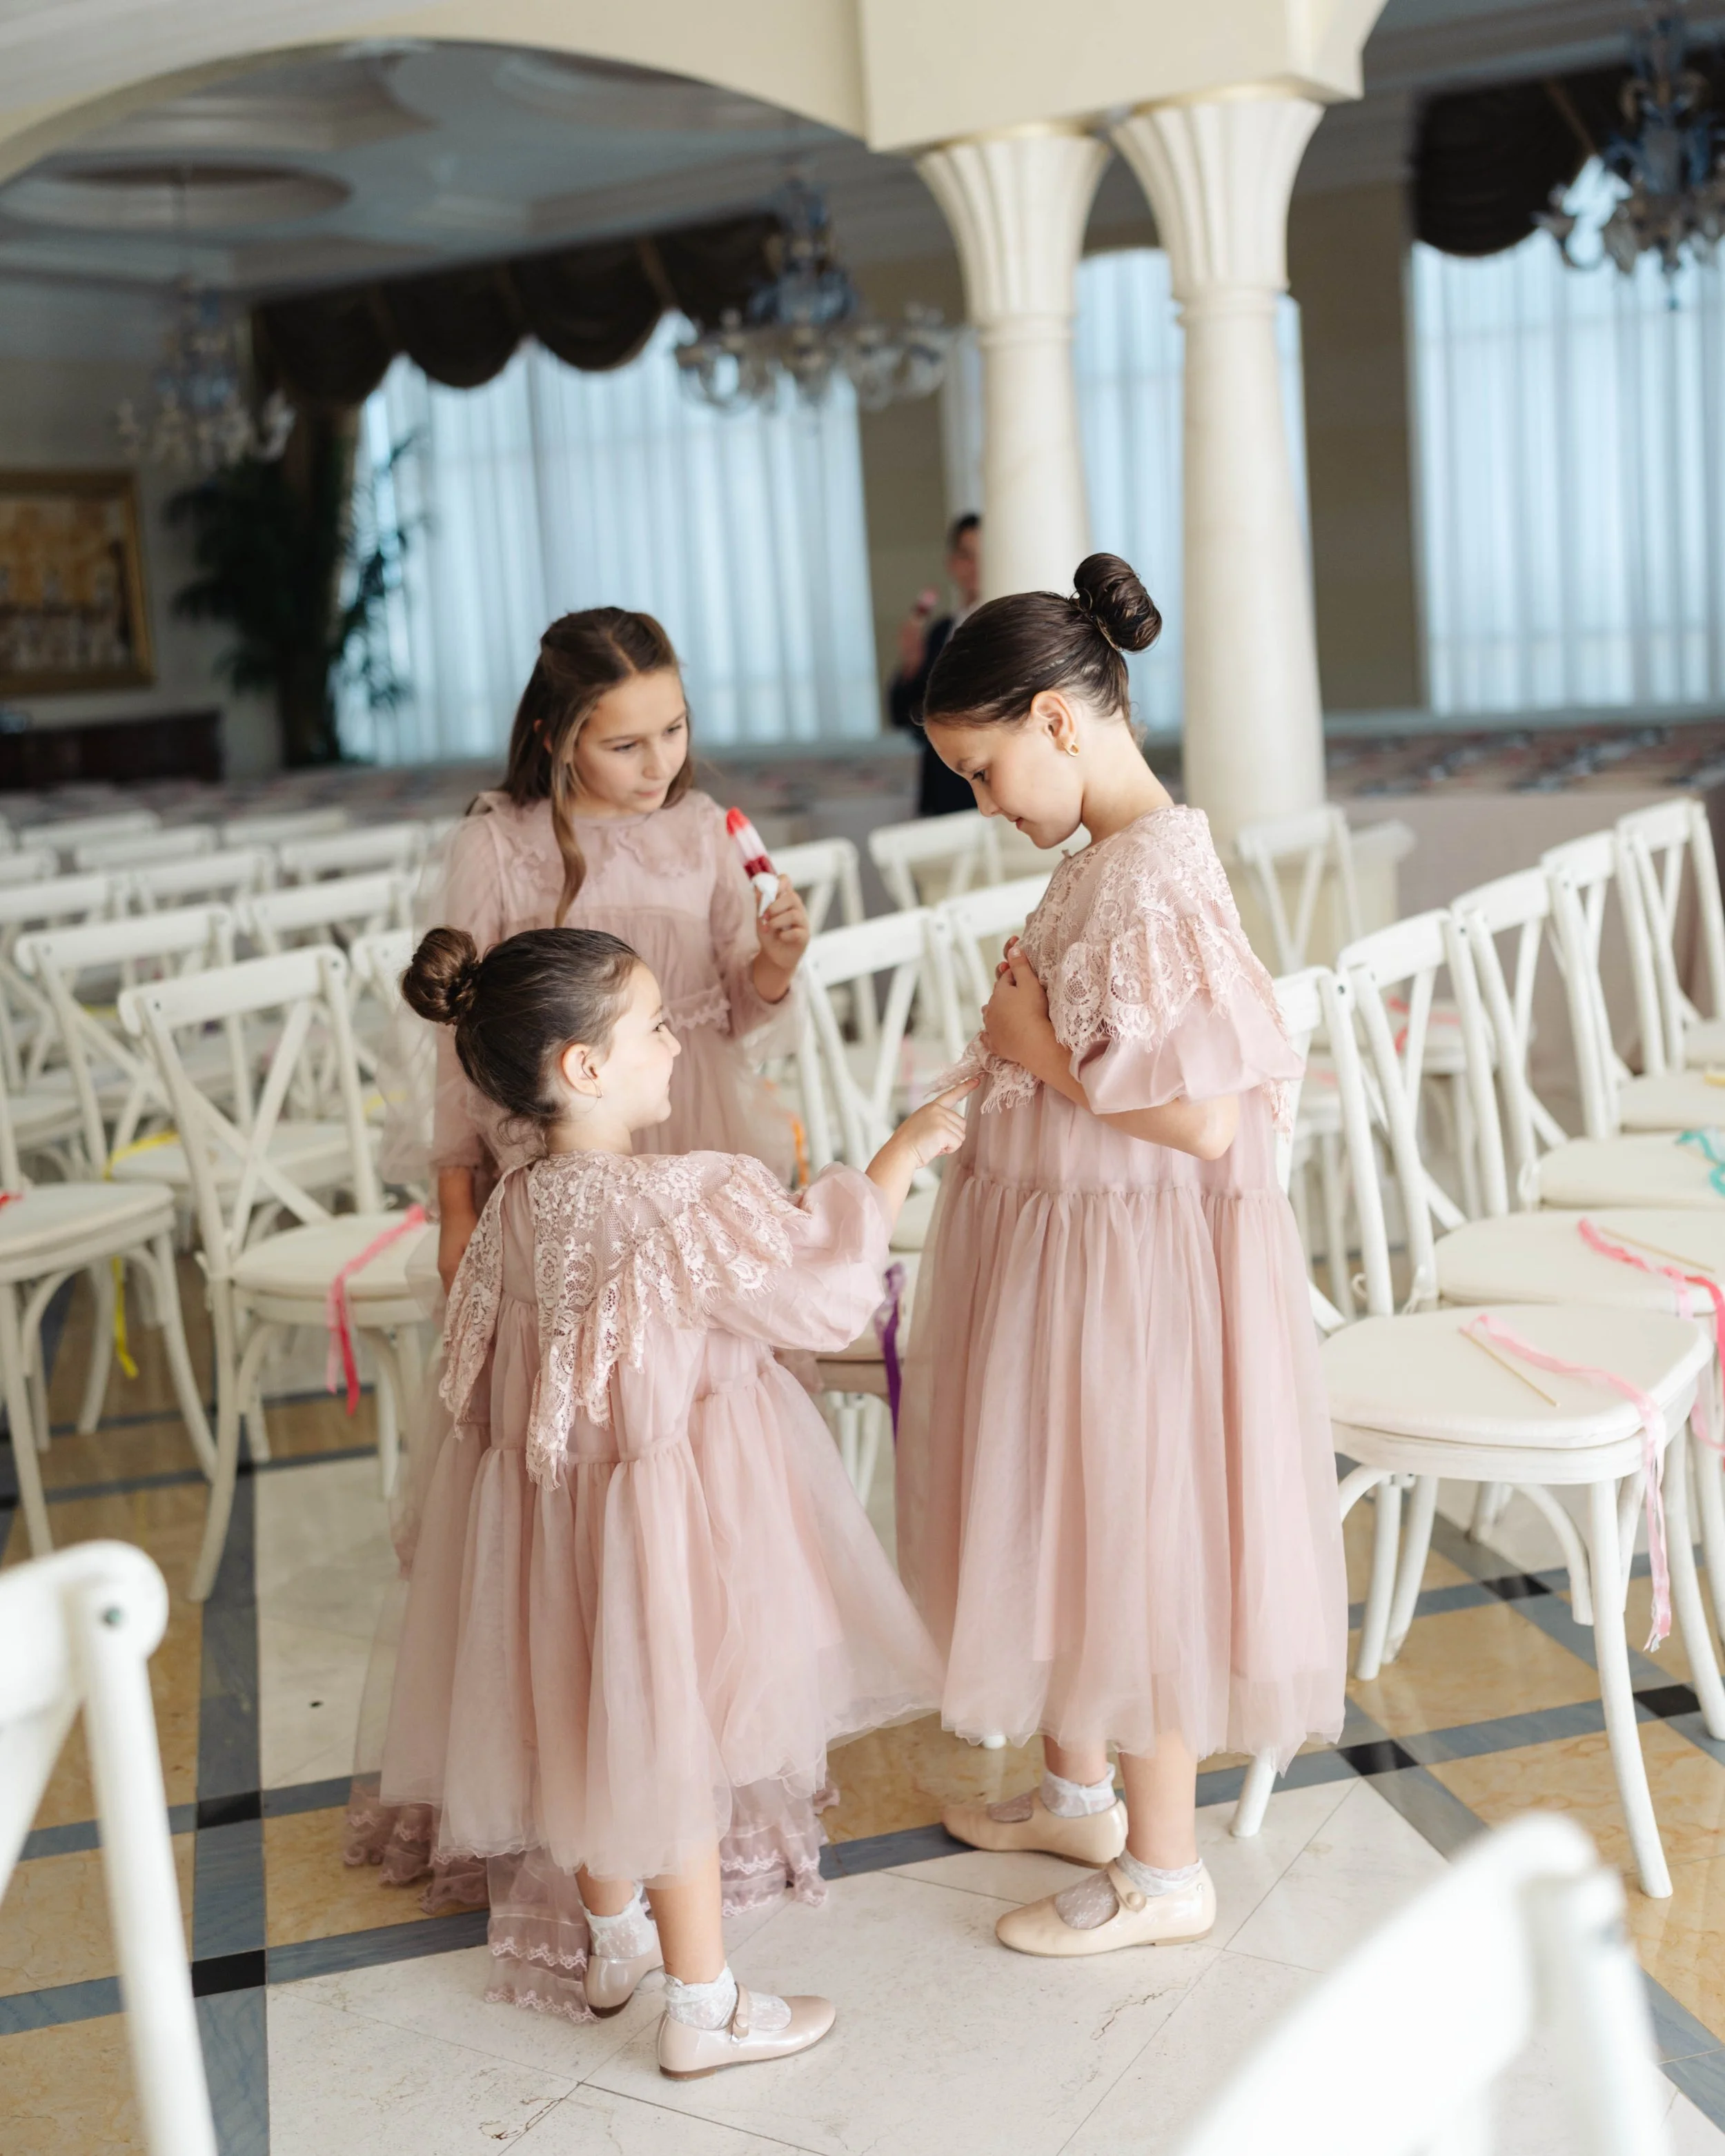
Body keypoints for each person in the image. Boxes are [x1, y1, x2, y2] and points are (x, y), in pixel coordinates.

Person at [380, 922, 960, 2072]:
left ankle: (614, 1941)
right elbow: (821, 1291)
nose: (675, 1045)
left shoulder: (514, 1212)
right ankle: (705, 2010)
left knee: (584, 1723)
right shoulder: (682, 1200)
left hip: (551, 1536)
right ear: (584, 1068)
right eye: (652, 1027)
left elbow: (478, 1385)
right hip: (671, 1530)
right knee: (667, 1745)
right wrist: (901, 1154)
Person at [895, 552, 1346, 1958]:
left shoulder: (1149, 876)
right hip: (1073, 1244)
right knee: (1066, 1507)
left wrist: (1039, 1055)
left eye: (982, 771)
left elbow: (1204, 1115)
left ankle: (1161, 1870)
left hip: (1129, 1267)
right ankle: (1080, 1786)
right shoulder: (1111, 857)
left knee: (1127, 1529)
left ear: (1058, 721)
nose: (982, 804)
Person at [347, 606, 824, 1927]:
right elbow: (469, 1043)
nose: (660, 761)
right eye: (626, 742)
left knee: (705, 1454)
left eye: (673, 729)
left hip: (690, 1124)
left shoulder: (697, 827)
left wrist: (770, 964)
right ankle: (570, 1769)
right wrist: (461, 1201)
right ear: (558, 738)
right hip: (554, 1172)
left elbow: (730, 995)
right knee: (574, 1474)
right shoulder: (499, 844)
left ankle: (702, 1749)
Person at [887, 511, 983, 817]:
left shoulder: (1006, 625)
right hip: (941, 783)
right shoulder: (940, 631)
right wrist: (911, 667)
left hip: (984, 777)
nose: (977, 567)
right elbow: (903, 716)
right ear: (953, 564)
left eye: (984, 555)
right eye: (968, 556)